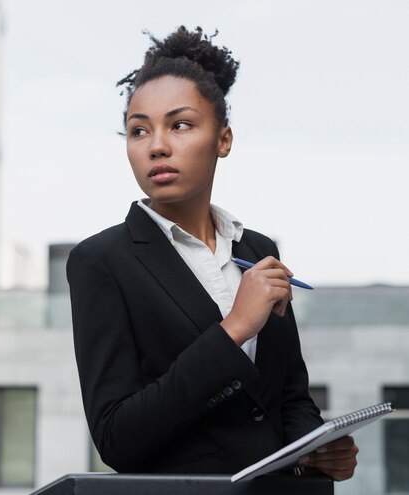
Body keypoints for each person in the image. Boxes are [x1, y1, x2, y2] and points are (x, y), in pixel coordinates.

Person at [66, 26, 358, 480]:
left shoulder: (258, 250)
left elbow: (288, 397)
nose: (157, 145)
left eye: (180, 124)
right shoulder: (102, 261)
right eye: (138, 130)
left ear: (223, 140)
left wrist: (315, 449)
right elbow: (116, 439)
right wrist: (234, 329)